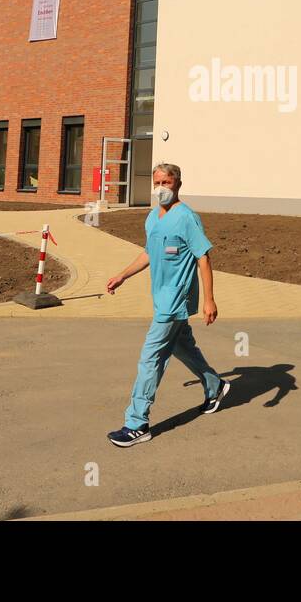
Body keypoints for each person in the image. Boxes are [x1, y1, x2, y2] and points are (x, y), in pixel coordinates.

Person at [105, 163, 228, 447]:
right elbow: (149, 253)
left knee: (151, 359)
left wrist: (209, 299)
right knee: (183, 347)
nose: (161, 188)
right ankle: (215, 386)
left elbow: (204, 258)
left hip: (175, 301)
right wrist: (122, 275)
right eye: (157, 182)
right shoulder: (152, 217)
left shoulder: (187, 218)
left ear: (178, 185)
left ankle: (137, 424)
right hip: (160, 297)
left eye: (167, 183)